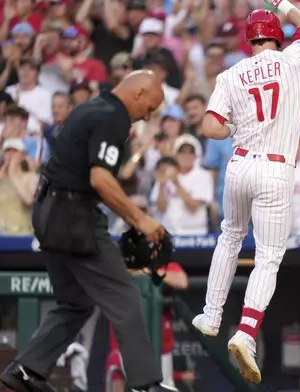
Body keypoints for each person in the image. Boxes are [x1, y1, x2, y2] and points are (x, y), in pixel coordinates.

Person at [0, 70, 175, 392]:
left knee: (75, 303)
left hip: (48, 211)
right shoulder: (114, 117)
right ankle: (145, 385)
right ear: (137, 94)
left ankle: (26, 371)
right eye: (149, 107)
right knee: (125, 297)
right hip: (73, 215)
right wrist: (141, 219)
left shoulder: (93, 107)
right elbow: (101, 179)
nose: (147, 116)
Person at [190, 1, 300, 385]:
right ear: (276, 36)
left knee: (229, 237)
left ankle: (212, 315)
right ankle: (246, 331)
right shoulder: (293, 57)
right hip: (276, 167)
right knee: (269, 257)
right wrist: (282, 4)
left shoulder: (231, 74)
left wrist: (232, 131)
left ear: (249, 39)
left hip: (240, 164)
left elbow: (210, 127)